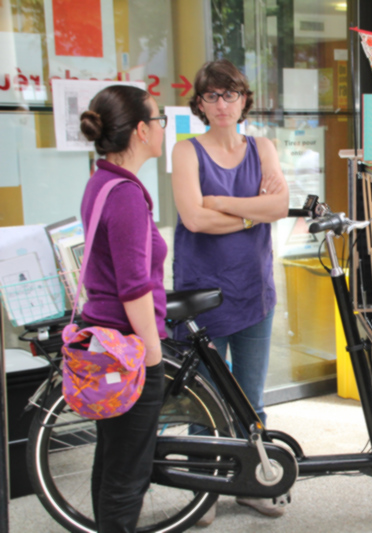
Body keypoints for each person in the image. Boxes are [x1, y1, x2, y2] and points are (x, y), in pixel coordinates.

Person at [171, 59, 289, 523]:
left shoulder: (263, 147)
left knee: (250, 396)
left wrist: (220, 201)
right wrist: (250, 211)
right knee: (203, 397)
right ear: (200, 103)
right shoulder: (186, 152)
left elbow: (280, 206)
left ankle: (250, 483)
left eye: (231, 94)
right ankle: (203, 491)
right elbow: (193, 219)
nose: (223, 104)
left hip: (253, 288)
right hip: (202, 292)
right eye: (213, 96)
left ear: (245, 100)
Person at [78, 85, 167, 531]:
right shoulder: (127, 197)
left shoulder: (102, 181)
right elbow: (134, 289)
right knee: (129, 475)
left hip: (103, 341)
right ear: (140, 130)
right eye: (159, 119)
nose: (163, 127)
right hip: (127, 347)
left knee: (111, 461)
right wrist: (151, 358)